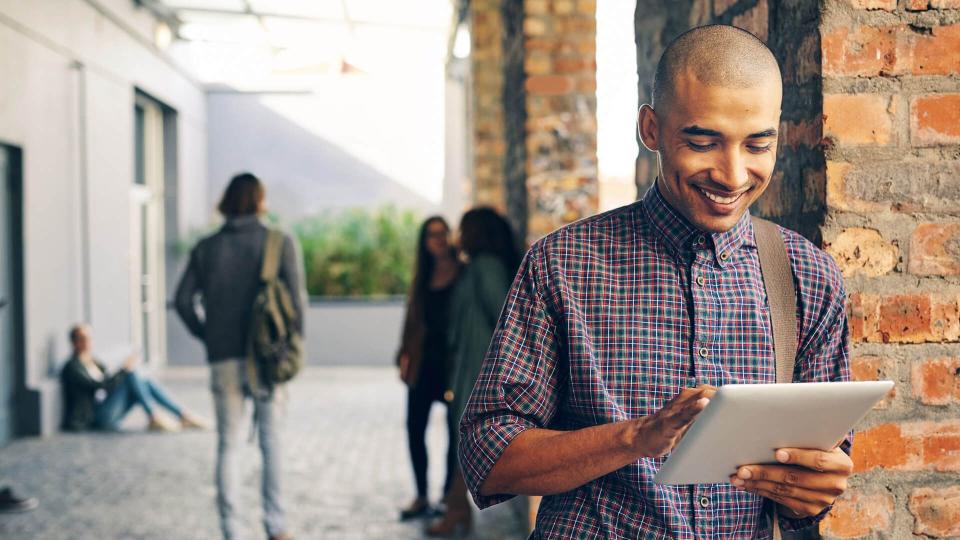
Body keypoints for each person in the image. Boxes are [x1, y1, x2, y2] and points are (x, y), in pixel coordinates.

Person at [458, 25, 853, 539]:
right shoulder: (563, 264)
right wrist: (637, 438)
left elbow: (811, 487)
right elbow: (488, 458)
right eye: (702, 141)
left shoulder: (809, 278)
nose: (733, 175)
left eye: (757, 144)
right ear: (651, 129)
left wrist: (811, 495)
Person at [175, 172, 304, 540]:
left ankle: (232, 531)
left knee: (228, 445)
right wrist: (295, 350)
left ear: (225, 200)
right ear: (260, 200)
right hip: (268, 359)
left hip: (223, 356)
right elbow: (297, 303)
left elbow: (183, 301)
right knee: (271, 442)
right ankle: (276, 526)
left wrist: (209, 334)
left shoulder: (206, 248)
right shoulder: (279, 242)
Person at [428, 208, 520, 537]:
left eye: (464, 229)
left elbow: (502, 319)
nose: (458, 236)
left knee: (465, 442)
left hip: (480, 372)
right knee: (460, 441)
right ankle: (458, 509)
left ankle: (457, 509)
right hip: (469, 368)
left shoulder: (486, 268)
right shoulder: (474, 267)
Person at [396, 217, 461, 520]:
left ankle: (449, 496)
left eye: (442, 233)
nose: (438, 239)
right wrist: (404, 353)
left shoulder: (463, 273)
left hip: (452, 365)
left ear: (450, 236)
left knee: (454, 431)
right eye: (431, 235)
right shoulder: (422, 276)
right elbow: (412, 318)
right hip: (424, 363)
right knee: (414, 428)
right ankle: (422, 495)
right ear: (424, 241)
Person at [60, 324, 205, 432]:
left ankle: (182, 415)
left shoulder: (92, 361)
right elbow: (102, 386)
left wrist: (124, 369)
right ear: (74, 342)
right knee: (131, 374)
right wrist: (124, 370)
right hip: (95, 418)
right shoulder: (73, 366)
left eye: (89, 338)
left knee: (144, 382)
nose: (87, 343)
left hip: (105, 408)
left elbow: (108, 379)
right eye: (82, 339)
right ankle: (154, 416)